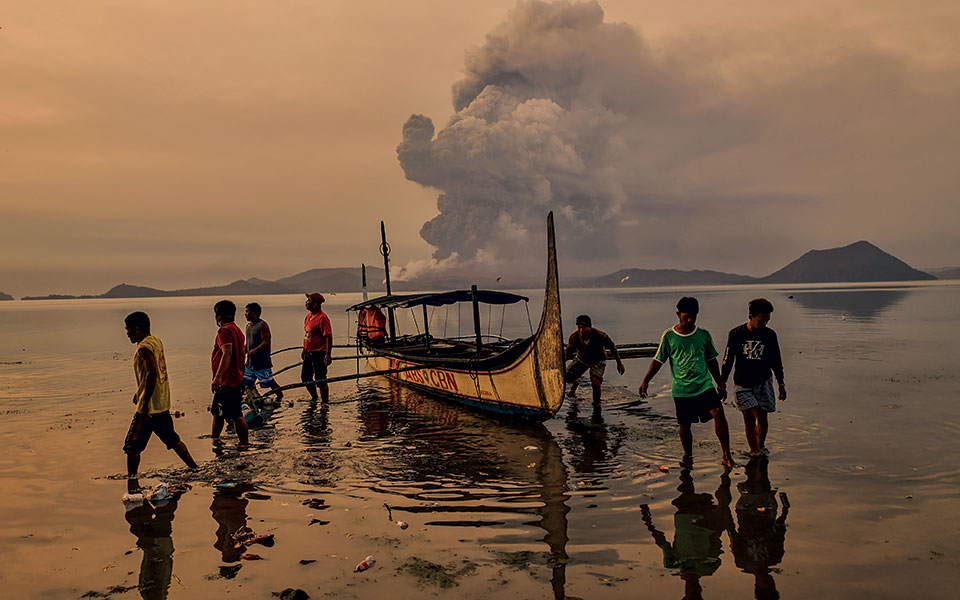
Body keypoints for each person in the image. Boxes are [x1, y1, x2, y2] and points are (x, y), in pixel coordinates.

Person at [639, 297, 734, 468]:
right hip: (682, 389)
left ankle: (726, 455)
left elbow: (711, 360)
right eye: (686, 317)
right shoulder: (669, 336)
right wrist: (646, 381)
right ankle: (688, 456)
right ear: (678, 315)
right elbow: (658, 360)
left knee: (718, 412)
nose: (690, 320)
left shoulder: (703, 335)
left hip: (704, 384)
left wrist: (720, 382)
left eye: (693, 317)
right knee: (684, 425)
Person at [122, 311, 198, 478]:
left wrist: (144, 403)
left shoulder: (143, 348)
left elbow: (152, 373)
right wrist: (139, 391)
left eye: (128, 330)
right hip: (161, 403)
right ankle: (194, 468)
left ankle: (131, 482)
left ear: (136, 329)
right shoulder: (155, 341)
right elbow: (149, 374)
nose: (127, 334)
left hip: (149, 408)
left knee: (131, 447)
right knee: (172, 439)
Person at [720, 298, 786, 456]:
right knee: (749, 417)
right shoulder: (736, 334)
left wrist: (781, 383)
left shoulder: (770, 335)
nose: (765, 324)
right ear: (751, 316)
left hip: (763, 380)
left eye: (767, 320)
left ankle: (760, 445)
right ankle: (754, 451)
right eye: (762, 320)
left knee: (762, 416)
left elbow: (776, 360)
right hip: (743, 382)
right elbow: (728, 360)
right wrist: (722, 381)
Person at [210, 300, 249, 448]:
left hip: (226, 381)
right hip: (236, 378)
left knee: (236, 415)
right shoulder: (237, 330)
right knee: (218, 412)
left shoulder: (224, 331)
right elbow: (241, 355)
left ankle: (244, 443)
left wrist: (218, 377)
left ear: (219, 316)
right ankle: (215, 440)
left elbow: (227, 353)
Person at [564, 314, 625, 404]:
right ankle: (575, 385)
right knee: (566, 377)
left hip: (598, 360)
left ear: (589, 327)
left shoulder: (600, 335)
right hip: (582, 359)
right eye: (579, 328)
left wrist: (619, 363)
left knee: (595, 381)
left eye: (584, 328)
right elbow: (568, 353)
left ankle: (596, 403)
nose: (581, 331)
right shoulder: (574, 337)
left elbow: (612, 347)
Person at [242, 302, 283, 402]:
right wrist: (242, 351)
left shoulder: (262, 325)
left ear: (254, 312)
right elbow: (248, 343)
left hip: (262, 362)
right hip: (250, 363)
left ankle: (280, 396)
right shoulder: (248, 326)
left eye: (247, 311)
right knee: (244, 383)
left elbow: (266, 342)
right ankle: (251, 400)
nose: (245, 314)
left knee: (270, 382)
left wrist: (255, 350)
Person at [302, 292, 333, 402]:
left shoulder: (322, 318)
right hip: (308, 352)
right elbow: (307, 335)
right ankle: (314, 397)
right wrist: (304, 349)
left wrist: (328, 355)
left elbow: (328, 336)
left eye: (309, 301)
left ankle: (325, 403)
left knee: (321, 380)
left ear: (315, 304)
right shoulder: (308, 317)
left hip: (319, 353)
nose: (306, 303)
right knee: (305, 378)